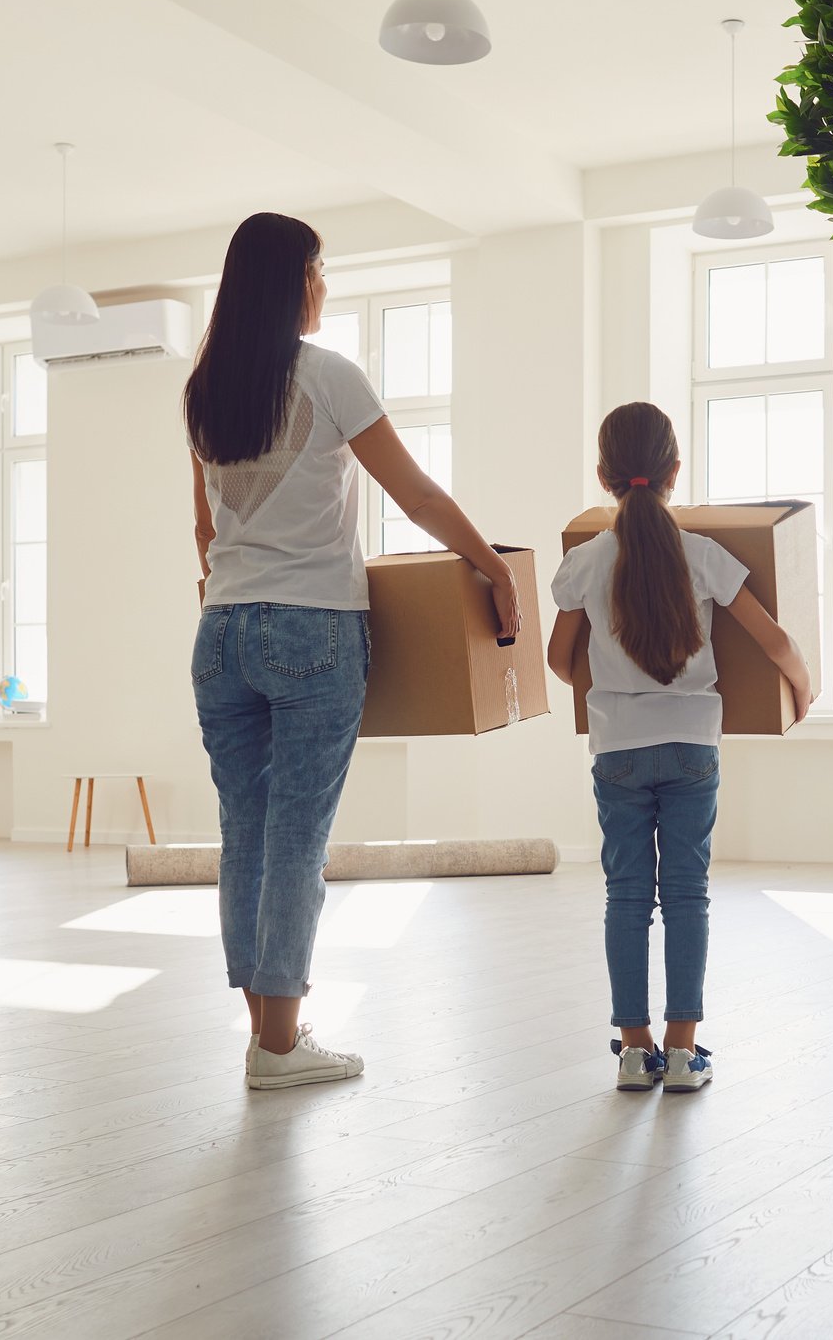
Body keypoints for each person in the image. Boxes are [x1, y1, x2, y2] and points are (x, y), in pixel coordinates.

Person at [186, 212, 521, 1091]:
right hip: (311, 629)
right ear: (294, 278)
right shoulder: (328, 376)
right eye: (320, 268)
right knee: (296, 839)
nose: (324, 284)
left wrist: (234, 588)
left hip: (220, 632)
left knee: (244, 837)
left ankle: (270, 1039)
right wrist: (491, 566)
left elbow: (203, 529)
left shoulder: (205, 388)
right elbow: (411, 494)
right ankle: (280, 1045)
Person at [547, 402, 813, 1093]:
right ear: (673, 472)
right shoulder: (703, 556)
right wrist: (800, 685)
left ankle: (633, 1049)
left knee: (626, 895)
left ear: (603, 475)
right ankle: (682, 1049)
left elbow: (556, 659)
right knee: (687, 894)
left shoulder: (584, 562)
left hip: (618, 751)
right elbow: (774, 640)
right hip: (693, 744)